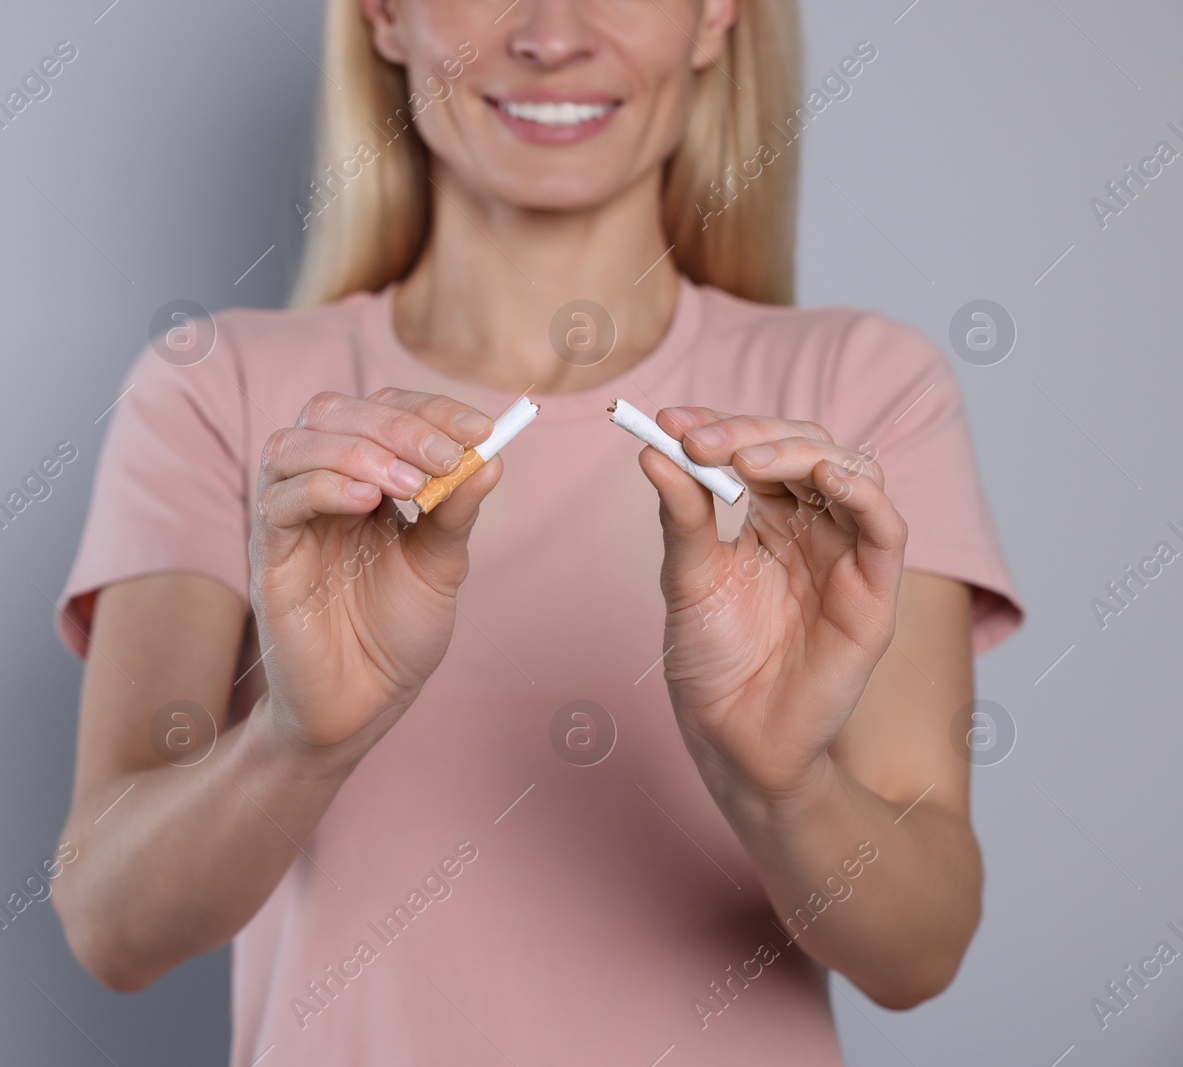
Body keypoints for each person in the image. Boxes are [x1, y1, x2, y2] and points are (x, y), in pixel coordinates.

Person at [50, 0, 1024, 1062]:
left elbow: (919, 952)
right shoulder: (221, 389)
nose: (551, 34)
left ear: (714, 18)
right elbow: (113, 925)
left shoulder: (856, 394)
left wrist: (775, 778)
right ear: (382, 15)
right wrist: (298, 741)